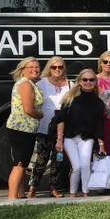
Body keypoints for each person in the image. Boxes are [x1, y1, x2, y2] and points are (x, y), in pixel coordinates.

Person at [55, 69, 106, 197]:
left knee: (85, 165)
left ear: (95, 82)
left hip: (87, 138)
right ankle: (72, 193)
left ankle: (86, 192)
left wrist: (101, 144)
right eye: (85, 80)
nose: (88, 82)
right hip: (69, 138)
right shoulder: (70, 98)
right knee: (76, 166)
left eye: (91, 80)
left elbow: (99, 124)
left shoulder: (98, 103)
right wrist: (59, 139)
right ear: (79, 82)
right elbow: (60, 119)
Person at [27, 56, 71, 199]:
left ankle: (54, 188)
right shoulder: (41, 83)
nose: (57, 70)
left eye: (60, 67)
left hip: (62, 128)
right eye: (54, 67)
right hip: (44, 127)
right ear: (49, 68)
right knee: (41, 159)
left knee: (58, 160)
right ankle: (33, 187)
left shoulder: (70, 85)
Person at [5, 57, 45, 200]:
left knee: (22, 163)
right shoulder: (25, 84)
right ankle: (12, 197)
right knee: (20, 164)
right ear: (22, 70)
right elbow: (28, 109)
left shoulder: (29, 83)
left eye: (37, 67)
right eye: (31, 67)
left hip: (27, 129)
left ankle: (20, 194)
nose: (35, 70)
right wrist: (40, 115)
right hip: (21, 128)